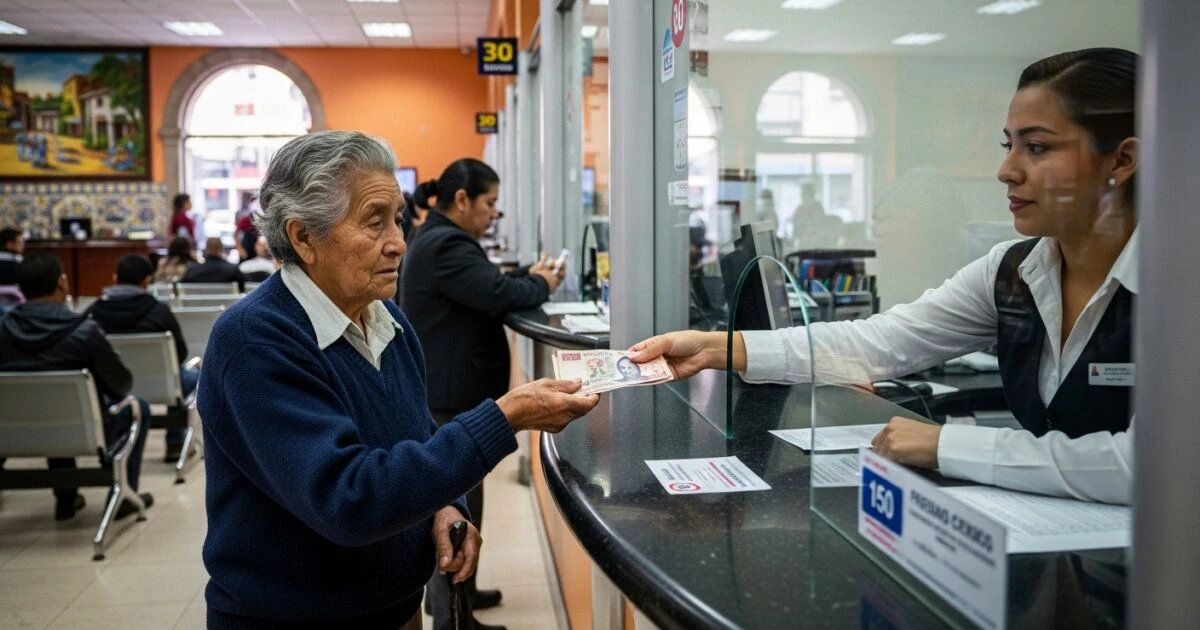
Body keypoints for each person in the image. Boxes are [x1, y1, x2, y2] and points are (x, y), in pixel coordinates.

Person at [629, 48, 1139, 506]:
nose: (1006, 170)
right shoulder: (1015, 271)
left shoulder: (1181, 291)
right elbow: (880, 342)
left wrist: (948, 445)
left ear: (1122, 160)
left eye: (1038, 148)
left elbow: (1148, 466)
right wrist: (716, 348)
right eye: (1009, 145)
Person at [197, 131, 598, 628]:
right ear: (303, 237)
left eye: (398, 220)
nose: (399, 243)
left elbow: (415, 433)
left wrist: (445, 507)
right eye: (374, 223)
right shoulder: (255, 342)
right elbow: (350, 498)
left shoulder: (386, 319)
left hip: (396, 606)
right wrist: (506, 416)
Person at [400, 159, 564, 630]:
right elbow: (496, 293)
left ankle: (460, 600)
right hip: (452, 394)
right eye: (489, 203)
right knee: (453, 511)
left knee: (463, 503)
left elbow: (488, 286)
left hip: (452, 388)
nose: (494, 213)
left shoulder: (439, 238)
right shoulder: (446, 244)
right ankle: (455, 619)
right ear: (462, 200)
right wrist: (543, 282)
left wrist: (523, 280)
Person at [0, 253, 153, 520]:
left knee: (43, 408)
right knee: (136, 407)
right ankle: (120, 496)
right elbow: (121, 384)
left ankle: (67, 498)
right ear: (62, 284)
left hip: (10, 434)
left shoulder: (2, 328)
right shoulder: (84, 330)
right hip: (79, 429)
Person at [87, 253, 199, 462]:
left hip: (114, 388)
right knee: (191, 375)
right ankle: (175, 442)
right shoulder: (159, 311)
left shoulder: (93, 314)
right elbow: (181, 353)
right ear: (147, 280)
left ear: (114, 279)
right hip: (162, 383)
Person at [180, 237, 245, 291]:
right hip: (226, 305)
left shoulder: (192, 270)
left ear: (206, 250)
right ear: (222, 249)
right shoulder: (233, 270)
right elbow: (245, 287)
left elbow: (181, 287)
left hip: (198, 306)